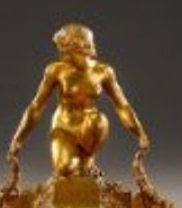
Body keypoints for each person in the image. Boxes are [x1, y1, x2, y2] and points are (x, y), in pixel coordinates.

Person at [8, 23, 151, 177]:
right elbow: (36, 107)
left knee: (99, 121)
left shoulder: (103, 72)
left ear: (79, 46)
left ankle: (87, 161)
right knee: (65, 170)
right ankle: (79, 166)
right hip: (63, 127)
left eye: (64, 47)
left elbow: (122, 106)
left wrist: (140, 133)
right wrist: (18, 139)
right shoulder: (55, 70)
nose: (61, 52)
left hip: (90, 127)